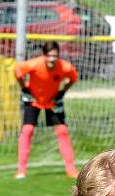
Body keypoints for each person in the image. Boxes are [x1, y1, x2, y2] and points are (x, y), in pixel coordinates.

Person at [14, 41, 79, 179]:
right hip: (34, 100)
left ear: (58, 56)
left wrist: (62, 92)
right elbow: (18, 72)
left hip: (52, 101)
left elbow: (73, 78)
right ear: (44, 56)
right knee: (28, 130)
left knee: (62, 130)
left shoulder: (65, 67)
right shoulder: (34, 64)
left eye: (54, 56)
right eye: (49, 56)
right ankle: (21, 170)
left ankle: (71, 169)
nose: (51, 59)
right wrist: (24, 88)